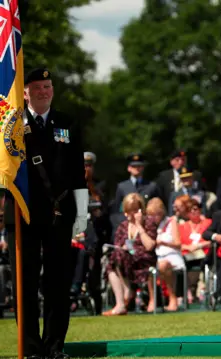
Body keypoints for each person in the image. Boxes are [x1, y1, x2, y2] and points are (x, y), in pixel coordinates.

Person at [3, 68, 87, 359]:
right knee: (24, 283)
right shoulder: (10, 124)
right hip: (22, 211)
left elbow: (79, 174)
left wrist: (83, 214)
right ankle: (30, 347)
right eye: (37, 86)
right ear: (24, 91)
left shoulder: (66, 123)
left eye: (48, 86)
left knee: (58, 282)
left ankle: (54, 346)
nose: (43, 91)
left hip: (58, 212)